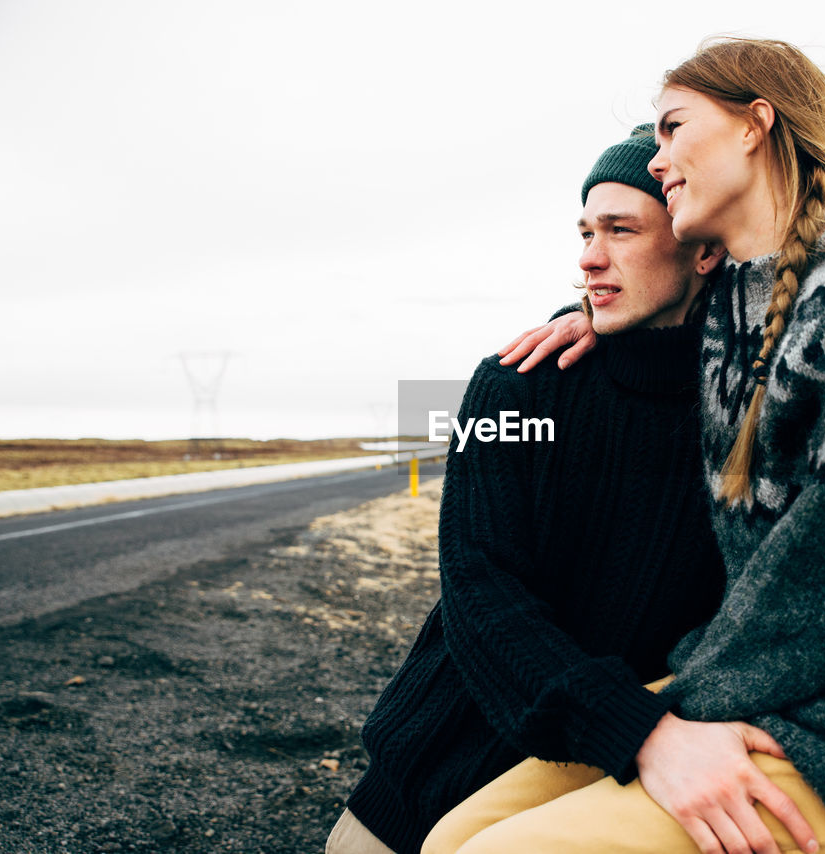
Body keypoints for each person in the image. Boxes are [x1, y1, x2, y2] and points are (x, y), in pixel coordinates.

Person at [424, 37, 825, 854]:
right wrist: (584, 323)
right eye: (587, 233)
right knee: (449, 836)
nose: (660, 159)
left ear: (752, 126)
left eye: (671, 130)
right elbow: (483, 585)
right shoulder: (727, 310)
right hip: (725, 686)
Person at [327, 126, 731, 854]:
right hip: (428, 781)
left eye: (621, 229)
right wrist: (631, 729)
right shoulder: (516, 387)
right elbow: (481, 592)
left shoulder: (753, 416)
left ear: (703, 249)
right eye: (584, 230)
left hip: (608, 804)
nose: (588, 256)